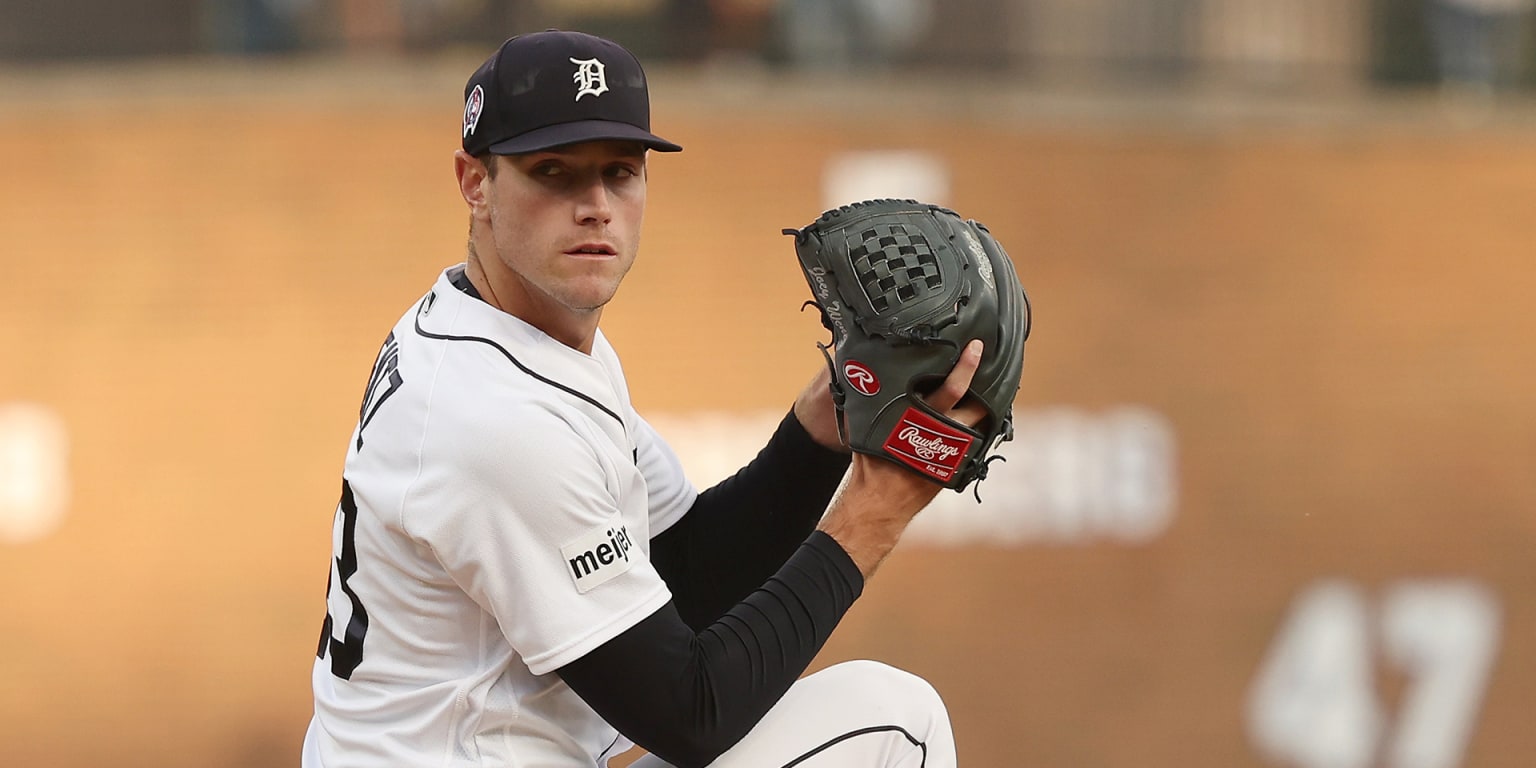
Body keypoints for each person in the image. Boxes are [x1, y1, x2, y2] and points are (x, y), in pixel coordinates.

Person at [302, 29, 984, 768]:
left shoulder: (510, 330)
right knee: (896, 725)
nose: (595, 205)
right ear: (475, 182)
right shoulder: (497, 420)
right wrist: (875, 513)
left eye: (620, 173)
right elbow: (691, 714)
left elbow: (684, 571)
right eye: (554, 171)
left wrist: (828, 421)